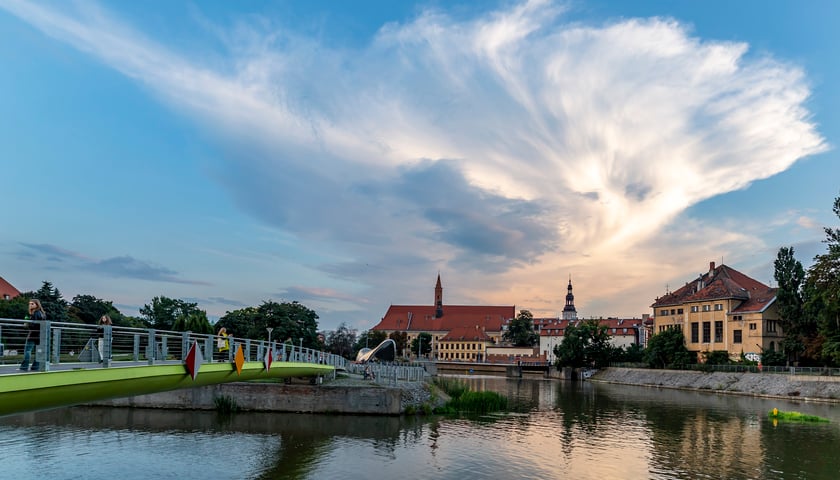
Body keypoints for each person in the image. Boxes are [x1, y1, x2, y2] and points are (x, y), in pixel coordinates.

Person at [19, 299, 45, 371]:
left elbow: (33, 325)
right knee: (38, 351)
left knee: (28, 350)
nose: (30, 305)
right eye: (29, 304)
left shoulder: (35, 313)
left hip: (33, 334)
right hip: (41, 335)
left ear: (37, 305)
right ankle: (35, 367)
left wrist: (27, 324)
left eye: (32, 304)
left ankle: (24, 366)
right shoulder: (42, 313)